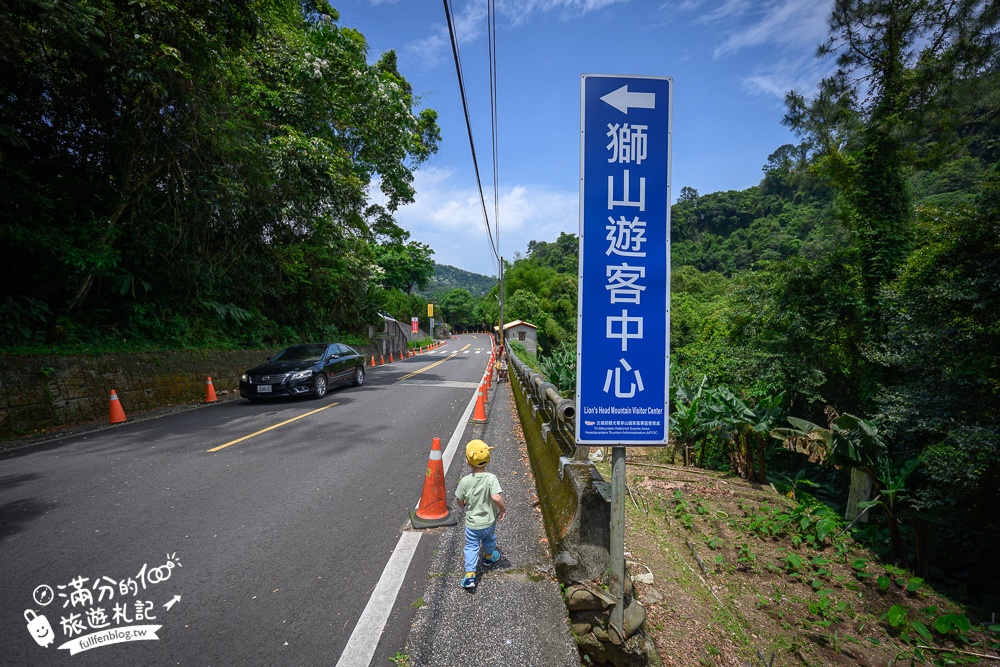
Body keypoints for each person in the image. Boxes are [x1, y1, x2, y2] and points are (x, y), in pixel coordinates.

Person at [454, 439, 506, 589]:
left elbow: (460, 500)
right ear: (488, 459)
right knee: (489, 539)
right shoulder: (491, 478)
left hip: (472, 524)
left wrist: (462, 504)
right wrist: (502, 509)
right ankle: (489, 557)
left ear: (467, 461)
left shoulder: (465, 481)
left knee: (471, 546)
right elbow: (496, 497)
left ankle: (470, 575)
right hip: (489, 521)